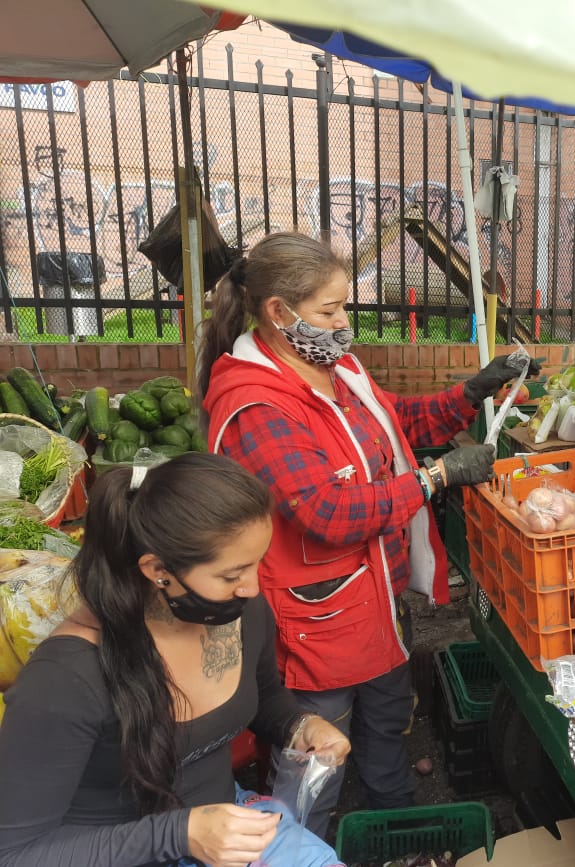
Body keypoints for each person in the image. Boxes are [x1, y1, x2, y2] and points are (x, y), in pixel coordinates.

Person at [198, 231, 537, 836]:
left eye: (343, 306)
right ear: (278, 311)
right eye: (329, 310)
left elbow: (394, 422)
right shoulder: (255, 404)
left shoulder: (337, 369)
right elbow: (325, 511)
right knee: (316, 753)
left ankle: (395, 819)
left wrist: (470, 392)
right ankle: (298, 844)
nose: (343, 322)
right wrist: (434, 478)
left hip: (376, 594)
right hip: (316, 616)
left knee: (385, 717)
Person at [0, 452, 352, 867]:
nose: (253, 588)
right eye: (231, 575)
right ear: (157, 570)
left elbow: (264, 697)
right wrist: (181, 834)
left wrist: (299, 725)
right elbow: (16, 853)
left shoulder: (241, 614)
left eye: (258, 563)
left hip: (224, 827)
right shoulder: (66, 679)